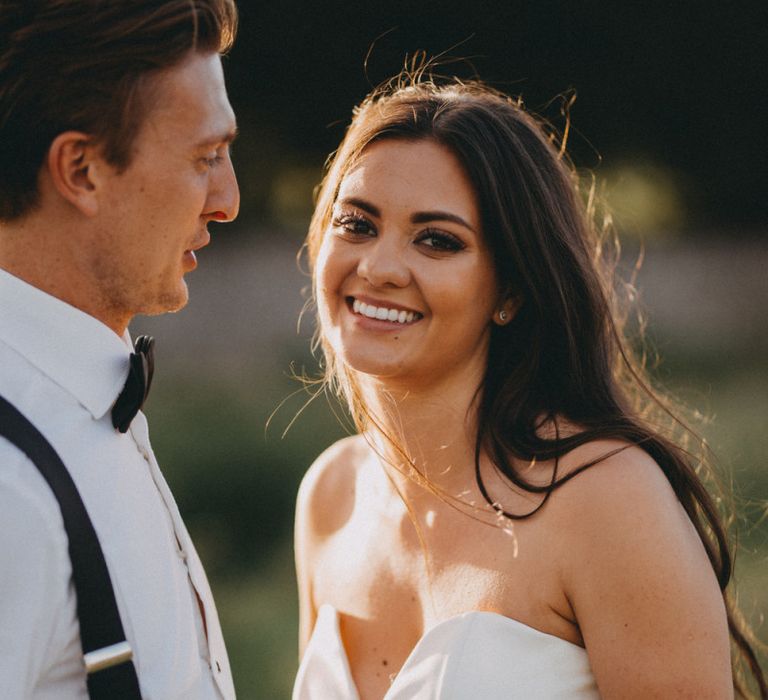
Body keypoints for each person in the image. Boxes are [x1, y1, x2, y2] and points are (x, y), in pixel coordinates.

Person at [292, 73, 767, 699]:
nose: (378, 267)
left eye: (437, 240)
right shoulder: (331, 496)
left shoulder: (604, 499)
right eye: (356, 224)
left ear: (510, 291)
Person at [0, 1, 240, 697]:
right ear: (81, 170)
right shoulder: (10, 487)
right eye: (206, 157)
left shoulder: (89, 397)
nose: (226, 198)